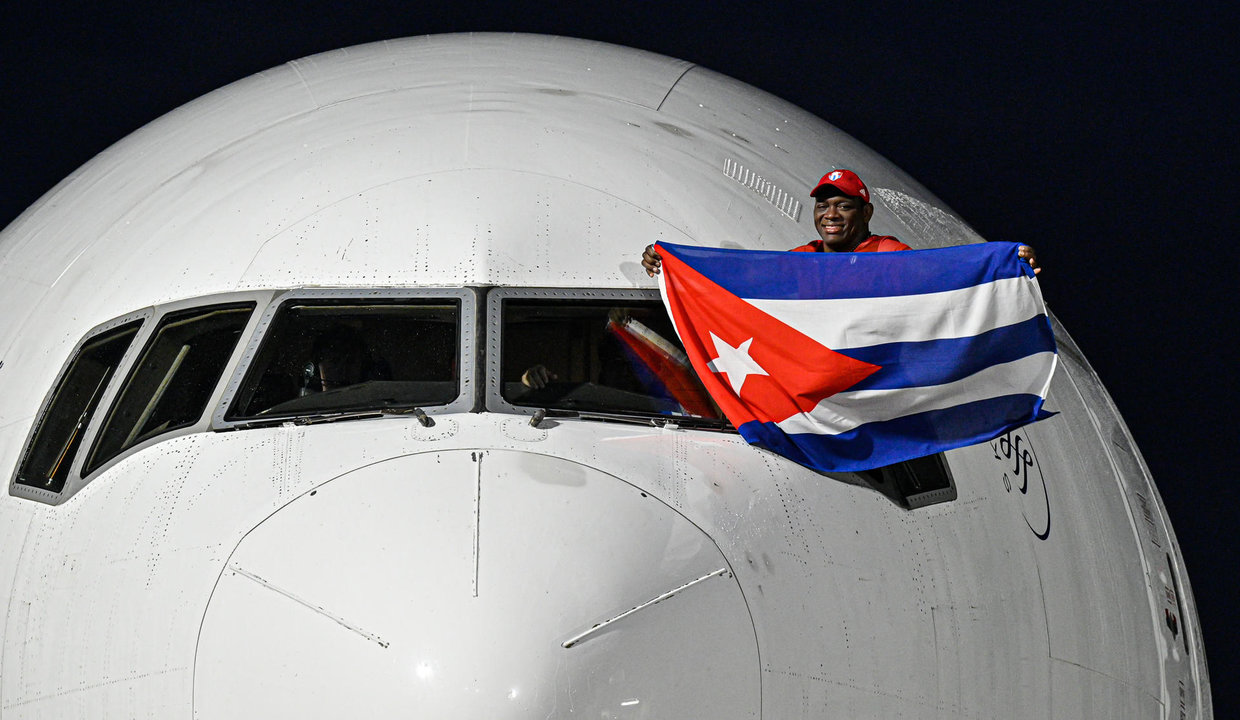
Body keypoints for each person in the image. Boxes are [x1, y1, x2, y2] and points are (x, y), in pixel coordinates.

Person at [642, 169, 1040, 274]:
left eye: (843, 206)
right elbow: (744, 274)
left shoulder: (886, 252)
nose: (830, 214)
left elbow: (940, 272)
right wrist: (673, 263)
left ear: (866, 213)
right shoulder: (804, 256)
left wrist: (1004, 263)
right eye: (822, 206)